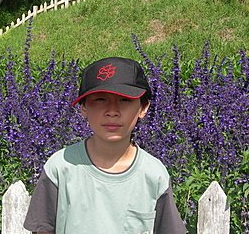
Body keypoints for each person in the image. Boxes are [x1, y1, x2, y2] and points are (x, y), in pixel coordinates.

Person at [23, 57, 187, 234]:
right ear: (83, 107)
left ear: (143, 107)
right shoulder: (60, 167)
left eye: (124, 100)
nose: (112, 112)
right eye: (100, 100)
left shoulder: (154, 175)